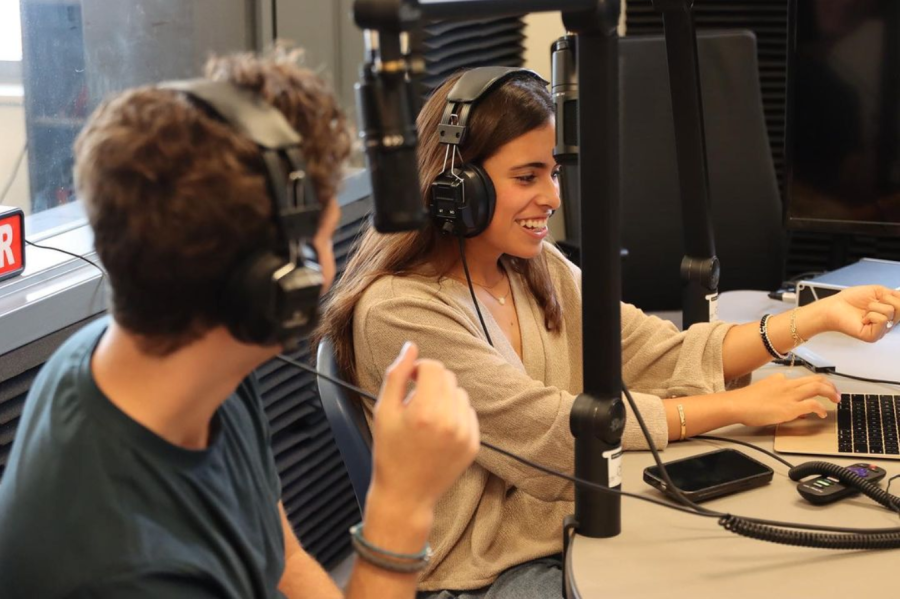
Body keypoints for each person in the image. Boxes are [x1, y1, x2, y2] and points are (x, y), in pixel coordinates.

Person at [315, 68, 900, 598]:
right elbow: (551, 432)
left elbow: (656, 350)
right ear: (455, 188)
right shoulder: (399, 312)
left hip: (564, 513)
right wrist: (735, 406)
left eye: (553, 172)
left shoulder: (534, 266)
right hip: (483, 571)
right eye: (527, 177)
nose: (551, 197)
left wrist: (815, 319)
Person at [0, 50, 480, 599]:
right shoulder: (122, 570)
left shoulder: (200, 363)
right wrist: (402, 505)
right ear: (276, 280)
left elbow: (284, 559)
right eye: (321, 238)